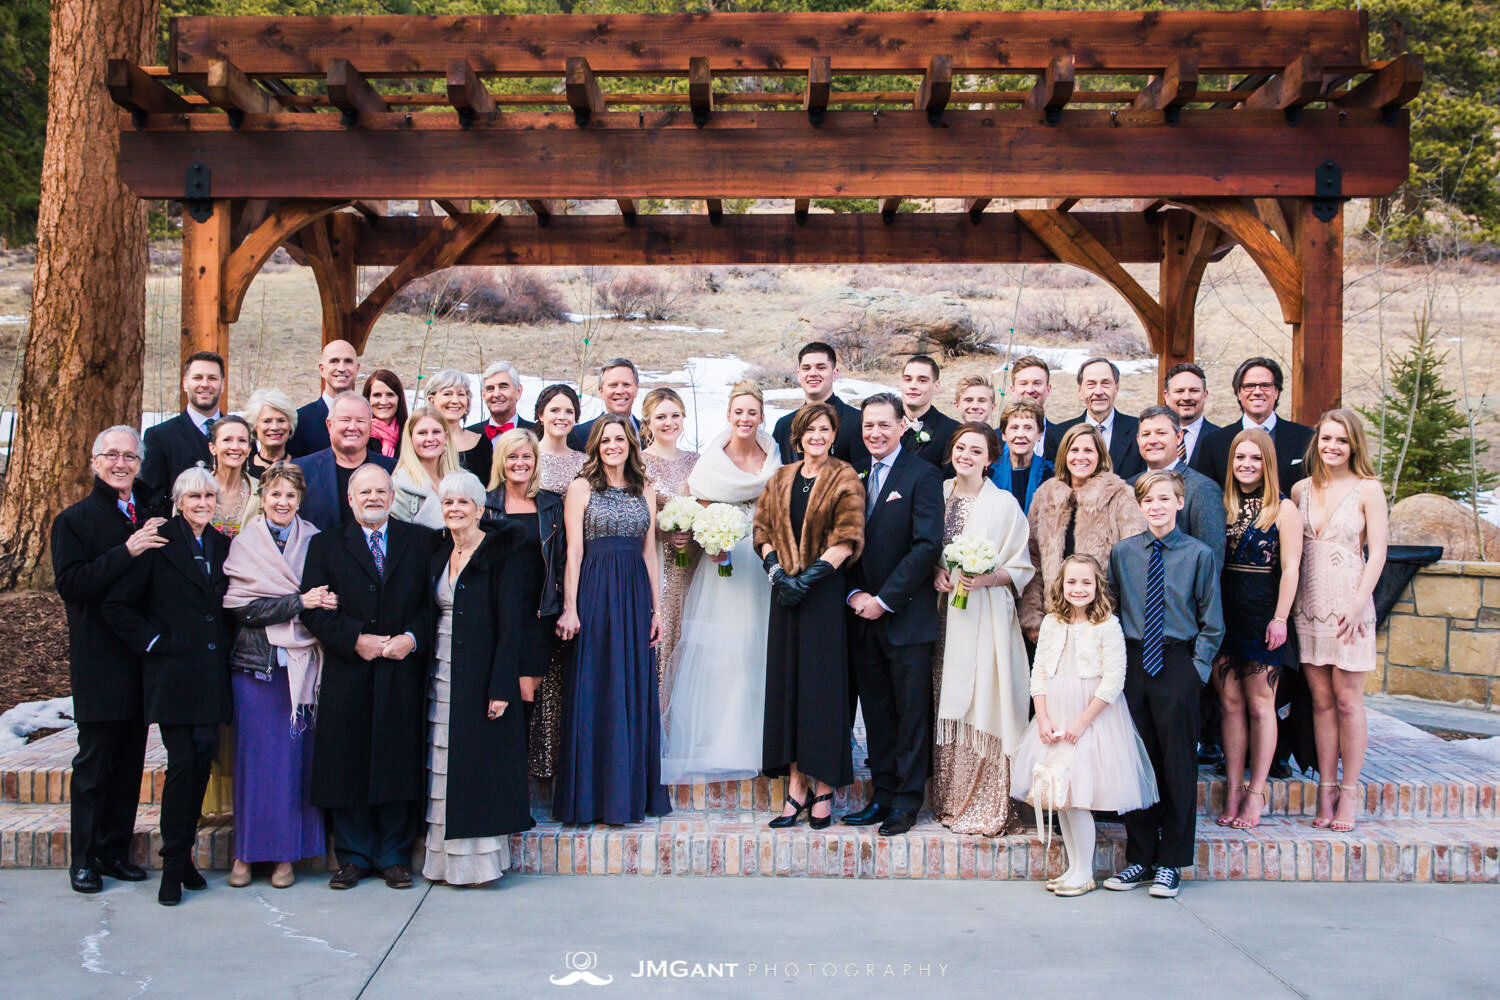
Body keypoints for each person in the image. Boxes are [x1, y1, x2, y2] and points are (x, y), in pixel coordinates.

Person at [299, 463, 435, 891]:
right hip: (349, 670)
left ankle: (394, 855)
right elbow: (314, 608)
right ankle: (354, 856)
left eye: (381, 491)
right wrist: (355, 638)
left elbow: (433, 604)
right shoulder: (325, 545)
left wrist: (412, 638)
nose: (373, 497)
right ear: (350, 499)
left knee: (398, 760)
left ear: (392, 498)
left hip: (401, 669)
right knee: (348, 761)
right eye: (365, 492)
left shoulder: (420, 542)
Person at [103, 466, 233, 906]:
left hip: (212, 676)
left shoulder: (221, 544)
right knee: (183, 765)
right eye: (193, 497)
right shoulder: (159, 544)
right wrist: (156, 642)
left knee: (201, 764)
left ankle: (187, 857)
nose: (201, 504)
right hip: (174, 677)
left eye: (208, 497)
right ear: (178, 500)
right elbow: (117, 605)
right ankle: (172, 864)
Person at [51, 426, 167, 894]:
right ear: (95, 461)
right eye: (112, 456)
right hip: (99, 659)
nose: (122, 464)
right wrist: (127, 550)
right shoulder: (74, 521)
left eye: (130, 457)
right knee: (95, 763)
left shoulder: (150, 512)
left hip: (141, 659)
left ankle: (115, 851)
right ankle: (84, 859)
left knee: (129, 762)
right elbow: (72, 585)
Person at [1103, 471, 1223, 899]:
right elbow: (1112, 608)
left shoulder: (1198, 555)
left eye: (1164, 499)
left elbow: (1212, 621)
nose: (1155, 506)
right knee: (1137, 762)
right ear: (1140, 506)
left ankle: (1171, 862)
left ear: (1179, 502)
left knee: (1176, 764)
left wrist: (1197, 670)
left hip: (1176, 661)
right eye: (1148, 500)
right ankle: (1139, 859)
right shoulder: (1123, 553)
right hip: (1134, 661)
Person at [1010, 555, 1157, 897]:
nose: (1079, 588)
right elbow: (1040, 674)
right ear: (1061, 585)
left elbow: (1113, 681)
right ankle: (1074, 868)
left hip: (1091, 719)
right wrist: (1043, 718)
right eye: (1072, 582)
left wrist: (1081, 723)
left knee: (1077, 799)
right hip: (1055, 715)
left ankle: (1084, 871)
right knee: (1060, 797)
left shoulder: (1107, 626)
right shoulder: (1051, 624)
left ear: (1097, 587)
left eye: (1086, 582)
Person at [660, 383, 781, 784]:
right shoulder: (713, 458)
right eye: (738, 412)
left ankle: (765, 741)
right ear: (728, 415)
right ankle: (723, 742)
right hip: (725, 560)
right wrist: (711, 538)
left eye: (752, 413)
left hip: (763, 560)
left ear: (761, 416)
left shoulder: (773, 455)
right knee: (724, 648)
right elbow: (700, 503)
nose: (745, 419)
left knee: (759, 646)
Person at [553, 416, 671, 824]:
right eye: (606, 440)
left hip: (636, 594)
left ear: (632, 444)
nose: (613, 445)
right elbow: (573, 553)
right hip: (595, 592)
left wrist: (656, 610)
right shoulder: (581, 488)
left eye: (620, 439)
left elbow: (650, 554)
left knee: (632, 687)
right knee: (596, 685)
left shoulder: (647, 489)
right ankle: (591, 798)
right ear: (596, 446)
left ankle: (629, 794)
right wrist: (571, 607)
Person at [754, 402, 864, 829]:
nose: (817, 436)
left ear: (834, 435)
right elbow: (761, 530)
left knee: (822, 691)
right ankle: (795, 787)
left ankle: (823, 790)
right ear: (796, 436)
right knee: (789, 689)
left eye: (825, 429)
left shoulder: (845, 476)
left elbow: (848, 536)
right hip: (785, 598)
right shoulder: (780, 478)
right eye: (809, 429)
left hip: (822, 598)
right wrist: (779, 574)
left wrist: (811, 577)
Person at [221, 463, 331, 889]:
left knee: (292, 766)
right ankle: (245, 855)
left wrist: (306, 603)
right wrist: (299, 601)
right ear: (262, 499)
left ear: (299, 500)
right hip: (257, 669)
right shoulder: (244, 545)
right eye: (275, 495)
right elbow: (242, 608)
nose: (282, 503)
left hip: (303, 668)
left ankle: (286, 855)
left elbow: (327, 597)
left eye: (290, 496)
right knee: (254, 766)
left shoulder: (316, 542)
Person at [423, 471, 535, 886]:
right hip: (441, 668)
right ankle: (441, 862)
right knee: (443, 763)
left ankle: (477, 866)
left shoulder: (500, 555)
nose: (454, 509)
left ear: (480, 510)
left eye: (463, 503)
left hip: (483, 673)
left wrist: (501, 686)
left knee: (476, 768)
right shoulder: (437, 552)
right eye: (448, 502)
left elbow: (512, 626)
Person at [843, 393, 943, 836]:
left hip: (905, 618)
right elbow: (843, 543)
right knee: (877, 713)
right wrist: (854, 595)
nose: (875, 433)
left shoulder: (922, 475)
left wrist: (883, 599)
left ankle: (906, 801)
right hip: (861, 617)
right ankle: (881, 794)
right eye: (868, 426)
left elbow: (926, 546)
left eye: (884, 425)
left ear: (902, 426)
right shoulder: (854, 475)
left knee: (910, 714)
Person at [930, 423, 1034, 836]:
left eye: (977, 450)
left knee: (982, 699)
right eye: (960, 447)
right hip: (942, 617)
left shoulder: (1004, 504)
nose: (966, 455)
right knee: (946, 698)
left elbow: (1022, 565)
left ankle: (985, 800)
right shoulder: (936, 494)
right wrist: (936, 569)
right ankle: (949, 797)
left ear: (991, 458)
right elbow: (921, 543)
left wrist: (986, 578)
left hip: (986, 615)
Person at [1292, 409, 1386, 835]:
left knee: (1348, 700)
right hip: (1309, 605)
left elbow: (1379, 553)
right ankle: (1325, 787)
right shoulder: (1299, 490)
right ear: (1317, 442)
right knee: (1321, 702)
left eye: (1341, 441)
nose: (1332, 447)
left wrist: (1357, 603)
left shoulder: (1369, 490)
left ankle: (1349, 791)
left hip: (1350, 606)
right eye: (1327, 439)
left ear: (1354, 446)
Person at [1215, 429, 1303, 830]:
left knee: (1260, 705)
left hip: (1263, 613)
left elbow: (1291, 569)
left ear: (1268, 463)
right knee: (1230, 704)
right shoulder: (1223, 505)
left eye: (1254, 458)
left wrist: (1281, 617)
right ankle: (1233, 786)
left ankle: (1256, 790)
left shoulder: (1283, 510)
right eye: (1239, 458)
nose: (1246, 465)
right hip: (1224, 612)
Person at [483, 428, 566, 779]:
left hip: (537, 613)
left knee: (525, 698)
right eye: (512, 456)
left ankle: (517, 785)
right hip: (494, 614)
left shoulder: (549, 504)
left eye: (526, 456)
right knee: (496, 698)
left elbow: (561, 559)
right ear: (501, 462)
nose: (519, 463)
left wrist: (564, 606)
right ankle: (498, 785)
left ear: (535, 462)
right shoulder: (485, 504)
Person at [1019, 424, 1146, 642]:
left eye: (1088, 450)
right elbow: (1033, 559)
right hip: (1054, 621)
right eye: (1074, 450)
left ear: (1100, 455)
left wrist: (1115, 616)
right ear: (1064, 455)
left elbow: (1135, 562)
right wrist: (1032, 617)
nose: (1081, 457)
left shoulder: (1121, 496)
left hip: (1101, 621)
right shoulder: (1045, 495)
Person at [640, 387, 700, 695]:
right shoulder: (637, 463)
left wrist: (703, 529)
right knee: (660, 641)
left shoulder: (697, 461)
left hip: (694, 566)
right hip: (658, 565)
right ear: (648, 422)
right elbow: (633, 518)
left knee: (691, 640)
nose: (669, 423)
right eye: (661, 417)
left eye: (675, 415)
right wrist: (666, 531)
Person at [1129, 405, 1226, 571]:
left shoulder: (1202, 488)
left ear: (1179, 436)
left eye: (1161, 433)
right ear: (1138, 440)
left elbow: (1211, 562)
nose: (1152, 440)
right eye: (1146, 434)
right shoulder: (1129, 487)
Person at [1194, 356, 1314, 490]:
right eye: (1249, 386)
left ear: (1277, 392)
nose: (1257, 392)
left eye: (1265, 385)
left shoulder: (1307, 438)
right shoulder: (1214, 442)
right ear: (1239, 393)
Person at [292, 392, 397, 532]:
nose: (353, 427)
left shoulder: (392, 469)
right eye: (345, 420)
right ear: (329, 425)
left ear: (370, 426)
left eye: (360, 421)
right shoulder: (301, 471)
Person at [140, 351, 222, 514]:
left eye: (212, 378)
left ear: (223, 384)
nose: (205, 384)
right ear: (185, 383)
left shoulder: (240, 433)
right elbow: (151, 500)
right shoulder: (159, 437)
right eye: (197, 378)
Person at [770, 341, 868, 466]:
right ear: (799, 375)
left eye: (821, 367)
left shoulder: (857, 422)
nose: (813, 373)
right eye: (806, 368)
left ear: (834, 373)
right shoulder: (783, 426)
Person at [1049, 357, 1143, 479]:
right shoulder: (1059, 435)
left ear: (1116, 388)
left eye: (1105, 383)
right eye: (1091, 384)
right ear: (1080, 391)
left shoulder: (1139, 430)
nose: (1098, 391)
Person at [287, 340, 360, 457]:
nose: (341, 368)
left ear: (357, 369)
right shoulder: (300, 420)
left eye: (348, 361)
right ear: (322, 369)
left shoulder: (369, 418)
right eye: (334, 361)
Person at [390, 408, 460, 530]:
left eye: (436, 432)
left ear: (446, 437)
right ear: (411, 438)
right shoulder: (399, 485)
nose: (430, 438)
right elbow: (400, 538)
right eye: (422, 433)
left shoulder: (464, 481)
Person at [425, 368, 491, 482]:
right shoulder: (422, 441)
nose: (455, 400)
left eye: (461, 394)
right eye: (447, 394)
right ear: (432, 400)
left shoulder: (482, 443)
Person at [897, 355, 960, 468]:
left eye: (922, 380)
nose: (913, 386)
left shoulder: (952, 431)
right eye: (908, 379)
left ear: (936, 386)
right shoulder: (886, 423)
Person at [991, 400, 1052, 514]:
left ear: (1039, 434)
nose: (1020, 435)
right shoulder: (989, 473)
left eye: (1028, 428)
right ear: (1004, 434)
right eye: (1014, 427)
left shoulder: (1051, 475)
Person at [567, 358, 641, 451]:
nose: (620, 391)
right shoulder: (578, 435)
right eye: (613, 385)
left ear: (636, 389)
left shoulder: (650, 433)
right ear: (601, 391)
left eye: (626, 385)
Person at [207, 414, 259, 538]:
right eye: (227, 440)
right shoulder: (192, 490)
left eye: (242, 441)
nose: (235, 447)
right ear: (213, 447)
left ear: (249, 449)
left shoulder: (263, 491)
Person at [535, 383, 588, 495]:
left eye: (569, 411)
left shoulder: (585, 463)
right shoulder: (527, 457)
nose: (562, 417)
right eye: (554, 410)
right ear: (541, 415)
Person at [1163, 362, 1218, 468]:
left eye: (1194, 390)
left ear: (1205, 395)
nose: (1187, 397)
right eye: (1179, 391)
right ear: (1166, 396)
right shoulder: (1151, 439)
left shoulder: (1220, 438)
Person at [471, 360, 536, 439]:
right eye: (490, 388)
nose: (496, 394)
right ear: (483, 395)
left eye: (503, 387)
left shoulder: (538, 433)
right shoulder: (470, 435)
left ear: (518, 391)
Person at [1008, 354, 1057, 459]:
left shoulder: (1061, 437)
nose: (1030, 390)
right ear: (1012, 389)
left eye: (1037, 383)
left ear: (1048, 389)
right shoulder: (995, 439)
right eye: (1023, 383)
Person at [244, 387, 298, 478]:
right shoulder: (244, 468)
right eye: (267, 421)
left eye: (281, 420)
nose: (275, 427)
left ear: (290, 425)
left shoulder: (303, 467)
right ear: (255, 426)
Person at [363, 369, 409, 461]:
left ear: (399, 398)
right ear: (368, 399)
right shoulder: (360, 435)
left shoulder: (410, 435)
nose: (384, 402)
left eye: (390, 395)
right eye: (377, 395)